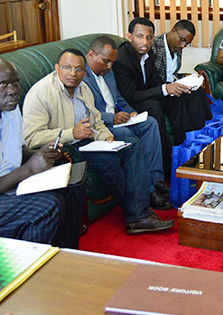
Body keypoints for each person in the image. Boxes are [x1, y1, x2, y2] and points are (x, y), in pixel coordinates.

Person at [22, 49, 175, 234]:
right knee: (107, 161)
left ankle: (139, 213)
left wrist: (106, 137)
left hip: (89, 141)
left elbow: (96, 120)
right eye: (67, 67)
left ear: (84, 71)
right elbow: (31, 138)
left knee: (132, 144)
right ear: (56, 68)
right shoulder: (41, 92)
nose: (73, 73)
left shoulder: (83, 88)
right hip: (66, 147)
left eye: (78, 69)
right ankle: (139, 214)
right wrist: (71, 133)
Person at [0, 57, 84, 248]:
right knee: (47, 207)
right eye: (3, 84)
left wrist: (42, 154)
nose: (13, 90)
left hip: (8, 185)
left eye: (15, 82)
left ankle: (65, 257)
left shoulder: (10, 107)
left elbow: (17, 151)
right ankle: (28, 270)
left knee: (73, 181)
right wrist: (29, 170)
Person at [82, 36, 172, 210]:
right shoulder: (80, 76)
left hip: (118, 118)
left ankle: (156, 179)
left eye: (112, 63)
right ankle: (149, 191)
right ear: (91, 55)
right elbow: (85, 112)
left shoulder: (108, 72)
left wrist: (131, 112)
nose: (109, 67)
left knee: (150, 123)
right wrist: (111, 118)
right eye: (105, 61)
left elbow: (119, 98)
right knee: (128, 136)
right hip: (101, 125)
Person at [114, 17, 212, 149]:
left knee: (176, 98)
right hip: (130, 102)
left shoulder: (148, 53)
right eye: (140, 36)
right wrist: (165, 89)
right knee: (154, 105)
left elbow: (154, 79)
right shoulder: (122, 59)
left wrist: (172, 88)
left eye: (149, 37)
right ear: (129, 37)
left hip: (145, 94)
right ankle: (166, 156)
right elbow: (131, 96)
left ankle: (188, 145)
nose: (145, 42)